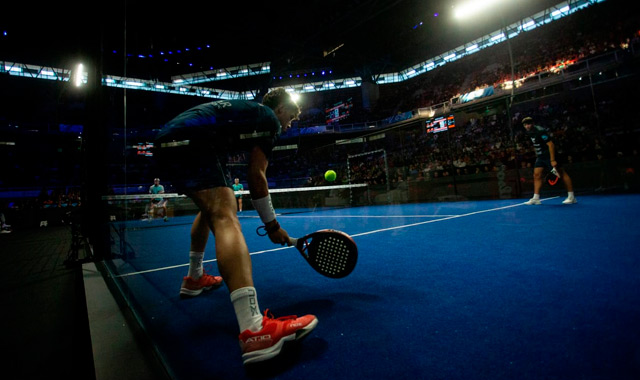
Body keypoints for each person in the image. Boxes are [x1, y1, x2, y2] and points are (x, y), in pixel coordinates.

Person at [154, 88, 317, 366]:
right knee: (225, 214)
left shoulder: (244, 117)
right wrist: (272, 225)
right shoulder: (268, 119)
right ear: (279, 109)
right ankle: (254, 329)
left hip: (171, 139)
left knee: (212, 207)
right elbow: (257, 177)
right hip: (193, 141)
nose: (287, 125)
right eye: (289, 117)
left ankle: (194, 277)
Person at [522, 117, 577, 205]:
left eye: (529, 124)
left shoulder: (540, 131)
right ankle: (536, 198)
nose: (527, 126)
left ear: (532, 123)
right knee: (536, 174)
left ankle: (571, 197)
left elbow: (551, 145)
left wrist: (552, 160)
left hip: (549, 155)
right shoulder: (529, 132)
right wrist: (538, 156)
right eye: (525, 125)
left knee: (562, 173)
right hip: (541, 157)